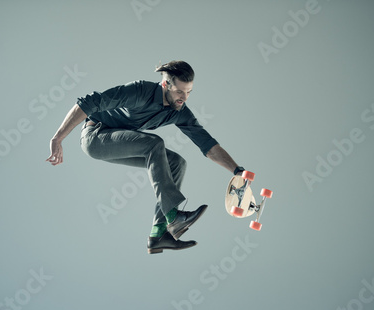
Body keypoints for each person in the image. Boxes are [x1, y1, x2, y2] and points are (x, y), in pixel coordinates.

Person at [46, 60, 245, 254]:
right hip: (95, 136)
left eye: (188, 93)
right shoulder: (141, 91)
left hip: (120, 142)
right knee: (154, 144)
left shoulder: (179, 111)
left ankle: (158, 236)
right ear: (165, 84)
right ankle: (174, 217)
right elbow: (90, 101)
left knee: (176, 163)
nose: (183, 98)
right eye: (179, 92)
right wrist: (58, 138)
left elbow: (208, 145)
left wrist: (238, 171)